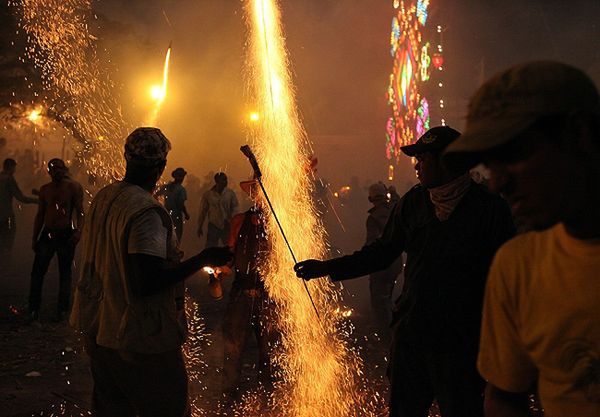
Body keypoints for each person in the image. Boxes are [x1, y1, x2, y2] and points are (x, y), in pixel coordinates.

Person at [295, 126, 515, 417]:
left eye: (423, 158)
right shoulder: (414, 203)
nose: (416, 165)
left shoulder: (488, 208)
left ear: (447, 162)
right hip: (413, 332)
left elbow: (507, 276)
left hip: (461, 339)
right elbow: (382, 252)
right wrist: (326, 267)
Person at [443, 61, 600, 417]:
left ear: (580, 135)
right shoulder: (518, 266)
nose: (498, 183)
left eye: (511, 156)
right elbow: (503, 398)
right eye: (489, 166)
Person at [70, 127, 232, 417]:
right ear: (161, 166)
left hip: (99, 329)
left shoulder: (105, 196)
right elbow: (146, 281)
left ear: (126, 158)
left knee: (114, 408)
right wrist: (202, 259)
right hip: (139, 337)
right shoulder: (146, 212)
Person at [222, 179, 280, 400]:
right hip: (242, 293)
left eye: (263, 192)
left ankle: (268, 396)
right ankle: (230, 395)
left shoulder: (279, 224)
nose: (259, 196)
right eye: (256, 192)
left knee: (269, 349)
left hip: (269, 295)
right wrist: (220, 270)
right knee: (233, 348)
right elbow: (230, 255)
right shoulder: (239, 221)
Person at [28, 158, 84, 322]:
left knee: (65, 273)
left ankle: (62, 310)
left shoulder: (72, 188)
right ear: (49, 172)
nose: (57, 171)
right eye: (53, 169)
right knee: (37, 273)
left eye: (59, 168)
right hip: (48, 234)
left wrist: (78, 232)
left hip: (65, 234)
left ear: (64, 170)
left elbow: (80, 212)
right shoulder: (45, 189)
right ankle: (33, 308)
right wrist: (35, 238)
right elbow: (40, 215)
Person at [365, 182, 402, 342]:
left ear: (370, 198)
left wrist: (361, 260)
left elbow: (371, 243)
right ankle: (392, 330)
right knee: (388, 297)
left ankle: (385, 336)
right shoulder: (394, 210)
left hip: (380, 265)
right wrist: (393, 192)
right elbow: (396, 201)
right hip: (395, 263)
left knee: (379, 301)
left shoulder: (373, 218)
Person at [0, 158, 38, 258]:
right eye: (14, 167)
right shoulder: (9, 179)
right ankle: (5, 264)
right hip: (6, 215)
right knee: (7, 239)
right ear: (11, 167)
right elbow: (21, 198)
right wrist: (37, 201)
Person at [197, 172, 238, 248]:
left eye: (226, 180)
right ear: (217, 181)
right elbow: (203, 211)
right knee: (210, 247)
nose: (226, 182)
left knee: (229, 247)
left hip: (226, 224)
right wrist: (200, 226)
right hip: (213, 224)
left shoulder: (230, 194)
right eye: (223, 180)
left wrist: (232, 221)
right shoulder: (208, 195)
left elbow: (235, 208)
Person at [157, 167, 190, 242]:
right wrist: (186, 214)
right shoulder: (181, 189)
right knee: (177, 236)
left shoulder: (167, 187)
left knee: (166, 236)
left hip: (166, 214)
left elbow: (155, 195)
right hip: (176, 216)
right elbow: (181, 204)